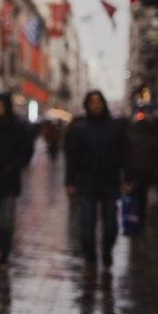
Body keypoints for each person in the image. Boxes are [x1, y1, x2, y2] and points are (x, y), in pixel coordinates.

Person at [65, 90, 131, 278]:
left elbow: (125, 153)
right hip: (87, 184)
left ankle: (107, 251)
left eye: (98, 101)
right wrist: (70, 181)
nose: (95, 105)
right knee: (87, 226)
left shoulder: (115, 127)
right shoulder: (80, 128)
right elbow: (72, 157)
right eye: (92, 102)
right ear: (87, 104)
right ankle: (90, 260)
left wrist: (127, 178)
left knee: (111, 224)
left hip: (110, 183)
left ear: (103, 103)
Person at [0, 94, 33, 268]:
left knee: (7, 220)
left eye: (1, 105)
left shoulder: (17, 127)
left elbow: (26, 150)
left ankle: (4, 252)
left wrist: (15, 165)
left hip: (10, 180)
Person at [127, 118, 158, 226]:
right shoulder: (152, 139)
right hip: (147, 170)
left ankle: (134, 213)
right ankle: (141, 213)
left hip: (135, 170)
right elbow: (156, 155)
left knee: (135, 192)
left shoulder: (132, 139)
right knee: (143, 192)